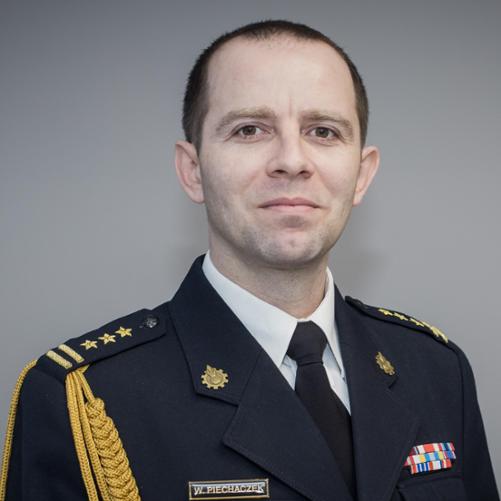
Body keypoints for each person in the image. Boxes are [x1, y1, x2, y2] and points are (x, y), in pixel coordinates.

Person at [0, 19, 498, 501]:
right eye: (249, 130)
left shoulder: (435, 371)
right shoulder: (88, 398)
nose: (292, 161)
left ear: (361, 174)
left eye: (324, 132)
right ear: (193, 170)